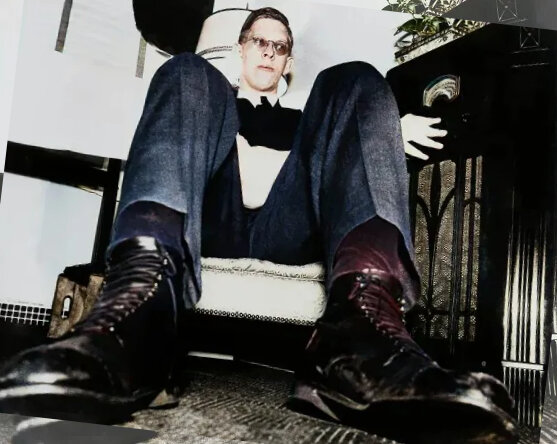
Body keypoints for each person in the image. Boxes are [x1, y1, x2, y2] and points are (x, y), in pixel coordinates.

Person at [0, 7, 517, 443]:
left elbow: (333, 168)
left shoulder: (306, 120)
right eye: (259, 42)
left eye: (280, 46)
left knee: (355, 78)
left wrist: (382, 131)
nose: (269, 52)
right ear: (241, 49)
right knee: (185, 70)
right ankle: (139, 317)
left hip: (288, 228)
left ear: (288, 61)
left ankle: (359, 335)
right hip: (212, 220)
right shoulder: (207, 102)